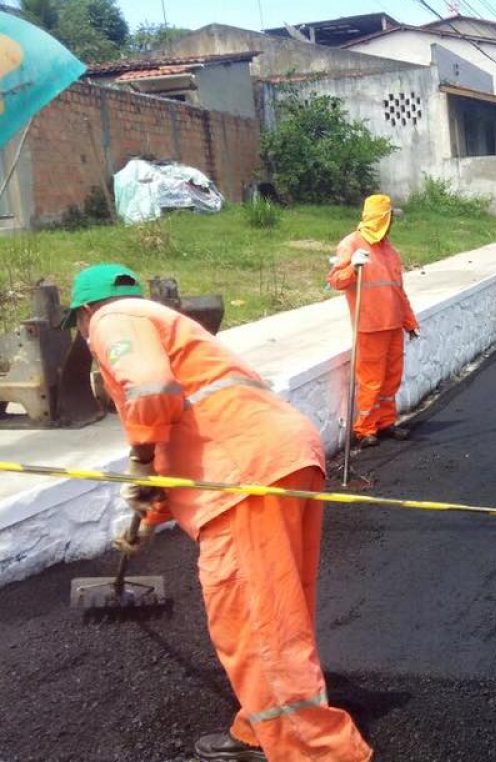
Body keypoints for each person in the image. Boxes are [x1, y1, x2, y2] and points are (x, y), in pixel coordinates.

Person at [64, 264, 372, 762]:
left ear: (82, 313)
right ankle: (261, 728)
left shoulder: (112, 318)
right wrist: (151, 506)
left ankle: (320, 752)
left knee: (254, 621)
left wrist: (140, 457)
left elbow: (150, 390)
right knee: (276, 612)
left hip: (243, 474)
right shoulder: (163, 323)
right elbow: (183, 425)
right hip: (280, 456)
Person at [327, 195, 420, 449]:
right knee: (371, 380)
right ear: (381, 218)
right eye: (389, 218)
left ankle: (386, 422)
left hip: (392, 325)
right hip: (369, 326)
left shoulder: (390, 251)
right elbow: (335, 281)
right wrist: (353, 268)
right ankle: (365, 428)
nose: (392, 224)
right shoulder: (352, 245)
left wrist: (409, 322)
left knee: (392, 378)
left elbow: (398, 290)